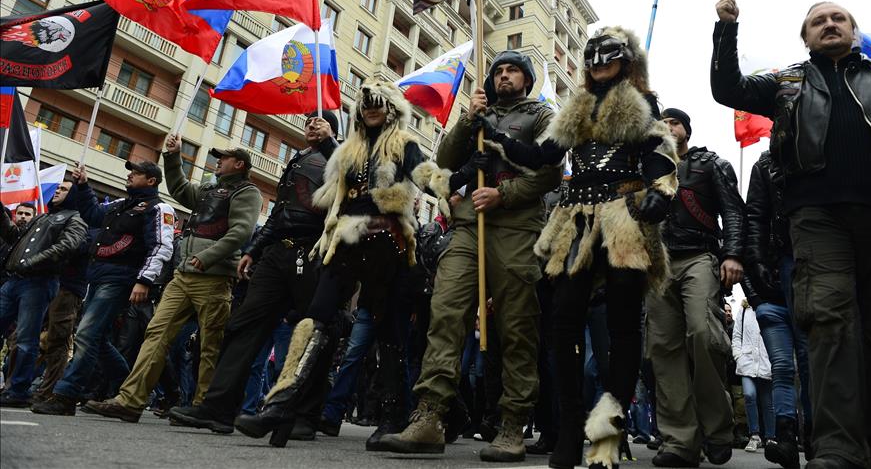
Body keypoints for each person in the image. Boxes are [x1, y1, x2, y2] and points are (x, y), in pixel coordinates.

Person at [710, 0, 871, 469]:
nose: (829, 24)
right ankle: (836, 447)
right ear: (806, 37)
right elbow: (729, 88)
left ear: (853, 29)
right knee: (828, 323)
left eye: (837, 18)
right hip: (817, 218)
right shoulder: (787, 81)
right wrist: (726, 29)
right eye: (818, 21)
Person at [470, 27, 677, 469]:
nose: (600, 64)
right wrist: (498, 136)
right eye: (594, 58)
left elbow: (659, 147)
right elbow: (541, 156)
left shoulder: (643, 104)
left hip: (623, 214)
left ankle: (608, 432)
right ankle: (568, 428)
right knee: (562, 320)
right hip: (576, 218)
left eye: (610, 56)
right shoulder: (574, 108)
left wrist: (661, 187)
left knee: (623, 322)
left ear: (626, 61)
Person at [232, 80, 453, 448]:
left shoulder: (403, 146)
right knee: (315, 318)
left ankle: (393, 417)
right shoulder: (346, 151)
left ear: (392, 110)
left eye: (378, 104)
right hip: (345, 242)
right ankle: (282, 406)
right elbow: (333, 193)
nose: (370, 108)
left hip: (390, 244)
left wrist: (457, 190)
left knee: (389, 332)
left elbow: (429, 179)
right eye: (365, 103)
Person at [380, 50, 563, 462]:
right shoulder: (477, 113)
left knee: (517, 327)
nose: (503, 76)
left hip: (516, 226)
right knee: (445, 312)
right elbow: (443, 164)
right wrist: (467, 121)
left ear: (527, 78)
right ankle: (430, 415)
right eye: (498, 70)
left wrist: (505, 192)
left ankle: (512, 422)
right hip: (467, 226)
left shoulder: (540, 114)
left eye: (512, 70)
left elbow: (552, 169)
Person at [169, 111, 338, 435]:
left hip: (313, 252)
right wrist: (253, 250)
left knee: (313, 330)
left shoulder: (340, 154)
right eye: (308, 121)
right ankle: (217, 409)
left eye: (319, 121)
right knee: (243, 326)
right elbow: (278, 213)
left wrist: (330, 141)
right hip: (276, 255)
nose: (311, 125)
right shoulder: (298, 159)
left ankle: (306, 415)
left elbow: (350, 177)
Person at [85, 140, 262, 423]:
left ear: (239, 164)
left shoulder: (248, 192)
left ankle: (205, 406)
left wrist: (208, 257)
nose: (217, 161)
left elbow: (241, 232)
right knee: (156, 333)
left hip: (213, 277)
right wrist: (173, 155)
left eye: (223, 158)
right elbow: (180, 189)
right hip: (183, 274)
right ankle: (130, 400)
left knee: (209, 344)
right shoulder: (208, 189)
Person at [32, 161, 175, 416]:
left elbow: (162, 246)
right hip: (96, 277)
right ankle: (128, 388)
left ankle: (65, 396)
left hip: (121, 279)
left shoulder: (159, 208)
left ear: (151, 180)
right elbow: (92, 213)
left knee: (86, 335)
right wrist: (84, 185)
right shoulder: (120, 204)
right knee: (96, 339)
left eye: (136, 173)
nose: (129, 175)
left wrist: (144, 280)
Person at [648, 107, 746, 468]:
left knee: (704, 335)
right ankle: (679, 441)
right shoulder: (648, 168)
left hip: (700, 258)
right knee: (663, 348)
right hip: (657, 265)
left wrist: (733, 255)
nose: (669, 127)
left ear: (687, 130)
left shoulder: (711, 164)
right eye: (664, 123)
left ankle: (718, 431)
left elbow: (734, 211)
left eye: (675, 121)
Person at [745, 149, 813, 468]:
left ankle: (813, 437)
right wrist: (756, 293)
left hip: (806, 265)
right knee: (783, 366)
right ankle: (787, 438)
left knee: (811, 362)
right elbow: (753, 220)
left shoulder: (812, 155)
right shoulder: (764, 164)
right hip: (772, 284)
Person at [0, 182, 87, 407]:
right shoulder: (41, 217)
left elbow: (67, 246)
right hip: (13, 281)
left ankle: (18, 391)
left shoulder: (75, 220)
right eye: (58, 188)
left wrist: (33, 263)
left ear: (73, 196)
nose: (57, 191)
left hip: (38, 283)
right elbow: (13, 236)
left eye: (64, 189)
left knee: (26, 341)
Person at [732, 298, 774, 452]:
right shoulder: (743, 310)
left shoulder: (770, 306)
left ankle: (770, 437)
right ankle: (754, 436)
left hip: (766, 362)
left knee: (767, 402)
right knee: (749, 396)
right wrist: (738, 355)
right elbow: (737, 335)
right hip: (747, 362)